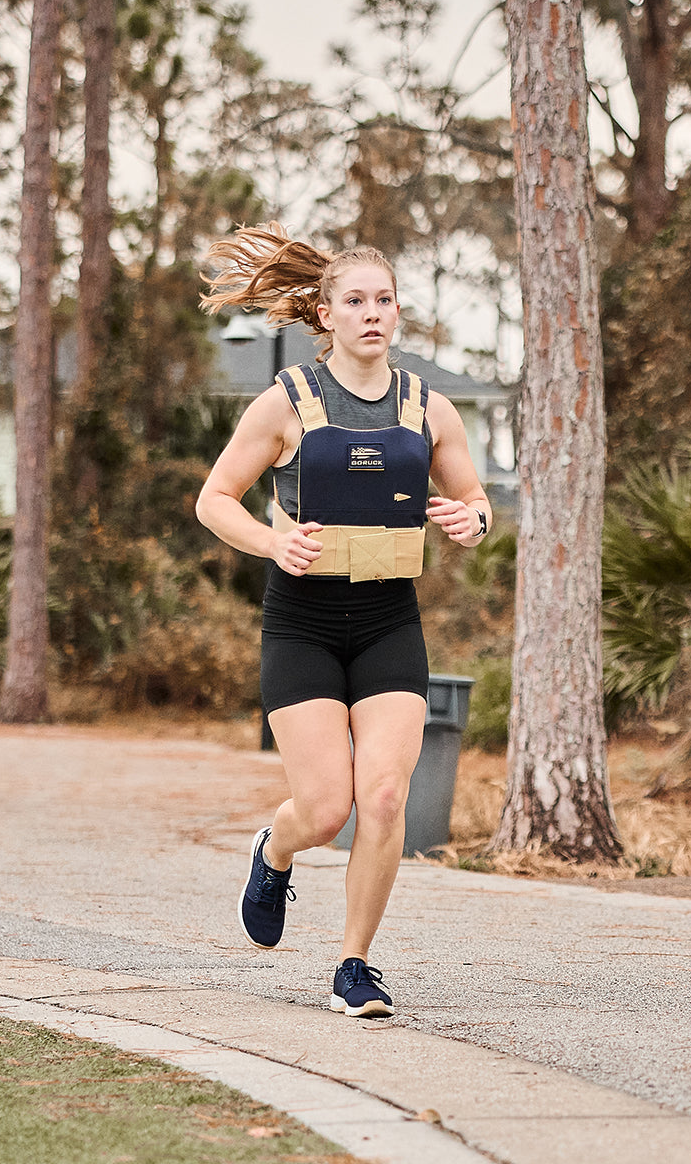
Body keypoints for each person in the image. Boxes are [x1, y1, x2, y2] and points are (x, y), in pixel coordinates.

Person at [195, 223, 491, 1018]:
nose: (371, 313)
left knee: (386, 797)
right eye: (354, 301)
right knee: (326, 810)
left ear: (398, 314)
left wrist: (474, 522)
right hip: (303, 625)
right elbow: (213, 500)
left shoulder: (429, 410)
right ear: (324, 315)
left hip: (390, 620)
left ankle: (354, 965)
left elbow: (475, 499)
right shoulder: (285, 403)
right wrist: (272, 540)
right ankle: (274, 849)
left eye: (383, 300)